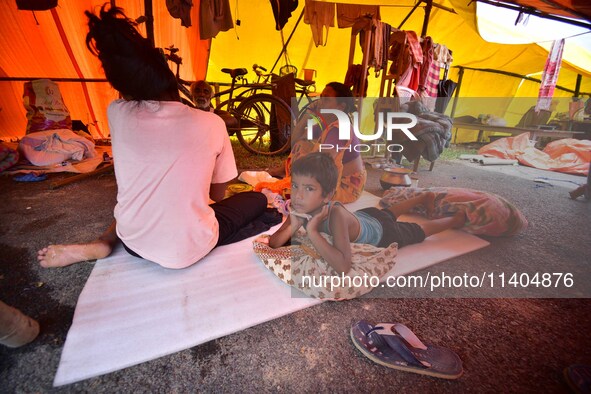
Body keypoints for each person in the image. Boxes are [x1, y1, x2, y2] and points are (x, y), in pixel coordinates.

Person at [37, 4, 270, 269]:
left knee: (140, 202)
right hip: (189, 249)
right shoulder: (212, 123)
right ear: (167, 75)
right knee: (257, 199)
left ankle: (104, 241)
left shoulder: (117, 113)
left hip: (132, 243)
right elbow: (216, 195)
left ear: (125, 89)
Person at [268, 153, 465, 274]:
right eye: (295, 186)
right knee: (388, 212)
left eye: (309, 189)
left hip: (383, 233)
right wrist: (293, 224)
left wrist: (312, 231)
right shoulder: (300, 208)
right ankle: (424, 197)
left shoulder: (335, 215)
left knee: (417, 230)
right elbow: (274, 243)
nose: (298, 195)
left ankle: (456, 219)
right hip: (366, 216)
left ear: (327, 195)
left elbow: (343, 266)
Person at [270, 82, 367, 203]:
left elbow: (323, 163)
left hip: (346, 187)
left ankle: (289, 176)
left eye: (326, 99)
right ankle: (283, 171)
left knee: (290, 192)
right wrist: (306, 117)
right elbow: (296, 140)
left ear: (340, 106)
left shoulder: (340, 128)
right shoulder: (326, 123)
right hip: (334, 178)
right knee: (302, 144)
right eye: (321, 97)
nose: (320, 102)